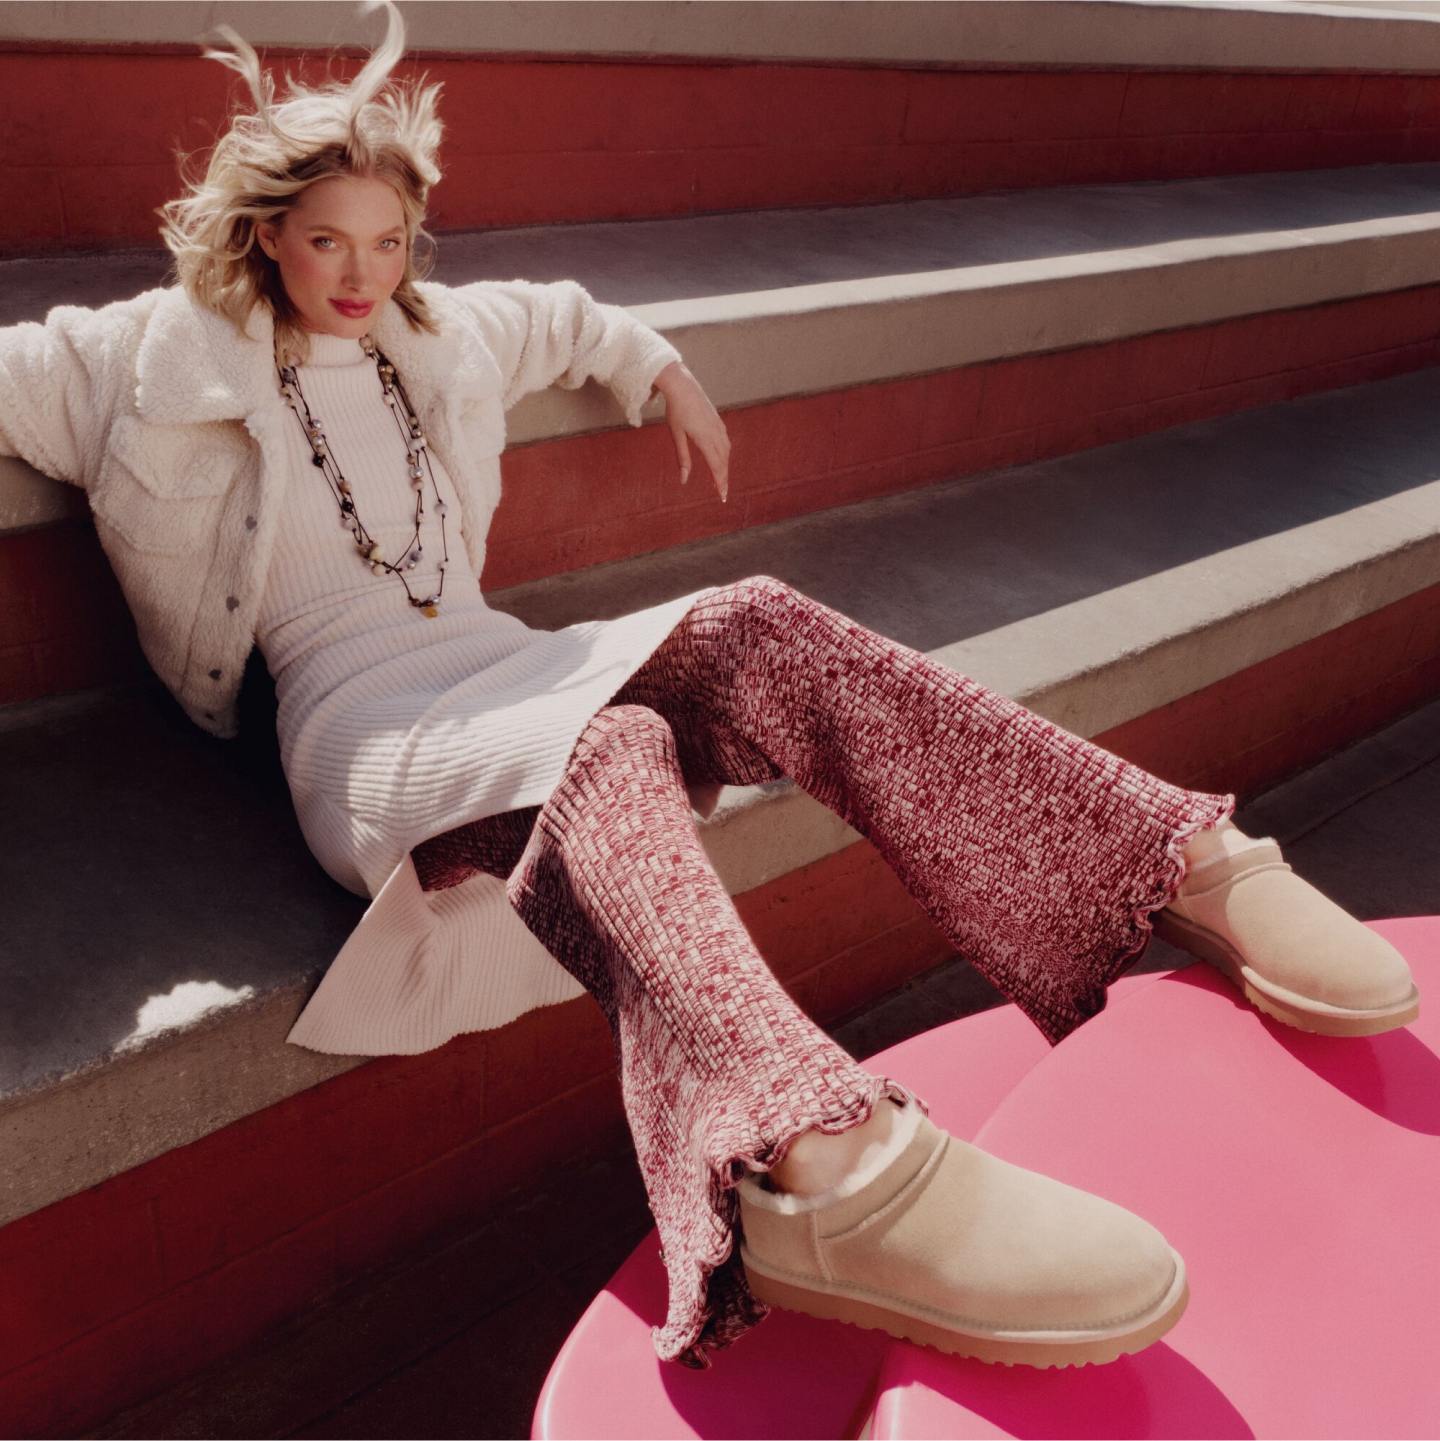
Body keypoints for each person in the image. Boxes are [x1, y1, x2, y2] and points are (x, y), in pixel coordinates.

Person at [0, 0, 1419, 1376]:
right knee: (606, 745)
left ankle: (1162, 861)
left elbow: (563, 316)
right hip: (360, 728)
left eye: (388, 240)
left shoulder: (431, 335)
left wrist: (658, 364)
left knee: (753, 622)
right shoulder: (151, 355)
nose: (362, 273)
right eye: (328, 241)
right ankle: (820, 1165)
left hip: (495, 659)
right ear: (268, 233)